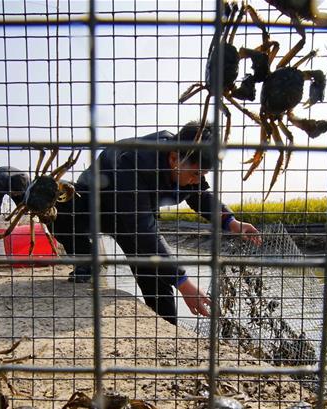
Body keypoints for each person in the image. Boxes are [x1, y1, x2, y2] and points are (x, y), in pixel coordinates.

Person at [52, 121, 261, 325]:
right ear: (173, 158)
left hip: (133, 214)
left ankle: (168, 327)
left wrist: (230, 221)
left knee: (154, 272)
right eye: (195, 173)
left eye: (203, 175)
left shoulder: (184, 165)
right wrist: (183, 281)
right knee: (55, 206)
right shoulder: (133, 162)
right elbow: (143, 229)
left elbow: (198, 194)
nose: (197, 180)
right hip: (93, 206)